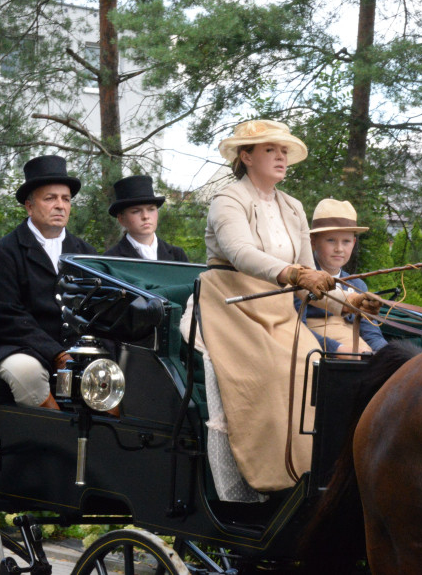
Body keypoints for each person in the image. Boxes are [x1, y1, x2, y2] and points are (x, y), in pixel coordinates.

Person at [182, 120, 376, 500]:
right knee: (272, 372)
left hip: (279, 310)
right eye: (271, 150)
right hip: (231, 306)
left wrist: (351, 300)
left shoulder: (293, 207)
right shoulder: (228, 200)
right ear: (246, 156)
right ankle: (266, 484)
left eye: (284, 151)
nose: (281, 157)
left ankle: (309, 477)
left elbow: (314, 280)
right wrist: (291, 273)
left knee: (318, 366)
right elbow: (241, 253)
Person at [0, 155, 96, 409]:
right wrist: (56, 353)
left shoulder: (86, 254)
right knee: (28, 373)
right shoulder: (4, 252)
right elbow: (5, 317)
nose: (60, 205)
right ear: (29, 206)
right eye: (50, 198)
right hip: (15, 347)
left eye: (66, 199)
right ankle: (59, 440)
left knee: (117, 372)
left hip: (75, 348)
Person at [300, 199, 386, 353]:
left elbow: (370, 333)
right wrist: (338, 350)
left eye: (346, 241)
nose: (339, 249)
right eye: (331, 240)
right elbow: (298, 328)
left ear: (353, 243)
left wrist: (388, 354)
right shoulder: (302, 280)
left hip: (359, 353)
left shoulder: (358, 285)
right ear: (313, 242)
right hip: (318, 354)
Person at [104, 175, 188, 261]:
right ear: (121, 219)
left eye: (151, 209)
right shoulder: (111, 259)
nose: (145, 216)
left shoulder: (177, 255)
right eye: (136, 211)